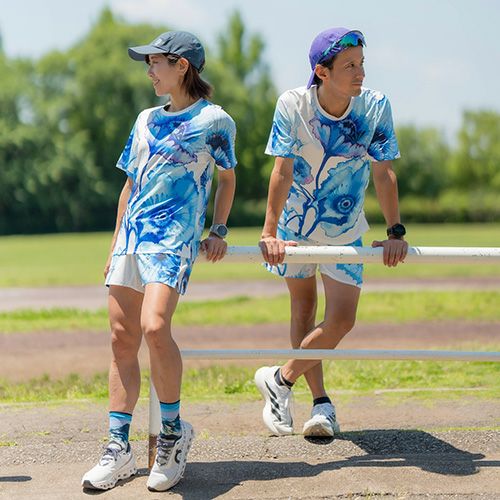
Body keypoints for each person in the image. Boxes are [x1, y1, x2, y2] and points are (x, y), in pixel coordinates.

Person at [81, 31, 237, 491]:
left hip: (173, 240)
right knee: (121, 338)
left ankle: (172, 434)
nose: (149, 71)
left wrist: (219, 229)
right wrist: (115, 244)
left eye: (155, 63)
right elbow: (130, 184)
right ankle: (118, 446)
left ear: (181, 65)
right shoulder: (145, 119)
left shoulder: (215, 120)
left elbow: (227, 179)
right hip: (132, 239)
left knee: (154, 327)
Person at [255, 27, 408, 437]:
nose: (361, 73)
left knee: (342, 319)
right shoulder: (293, 104)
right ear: (322, 72)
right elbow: (282, 171)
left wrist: (395, 231)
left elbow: (384, 173)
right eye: (350, 66)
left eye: (362, 64)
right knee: (303, 310)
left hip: (345, 228)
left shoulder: (375, 106)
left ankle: (279, 380)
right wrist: (269, 232)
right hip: (295, 227)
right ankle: (320, 404)